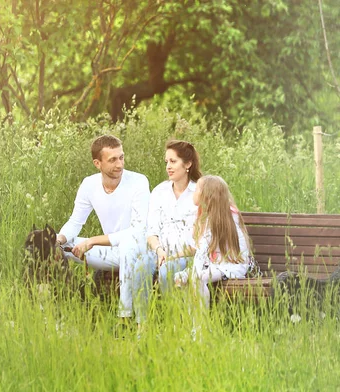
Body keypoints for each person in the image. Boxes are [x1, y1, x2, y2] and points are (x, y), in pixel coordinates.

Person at [56, 134, 150, 322]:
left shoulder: (139, 181)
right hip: (108, 252)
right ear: (97, 163)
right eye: (113, 160)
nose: (120, 164)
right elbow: (75, 222)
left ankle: (126, 319)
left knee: (127, 248)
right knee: (54, 248)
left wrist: (92, 241)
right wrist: (58, 240)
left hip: (137, 251)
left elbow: (138, 230)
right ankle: (62, 306)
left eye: (121, 157)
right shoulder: (89, 184)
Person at [134, 140, 202, 301]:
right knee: (140, 266)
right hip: (160, 252)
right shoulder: (159, 191)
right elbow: (151, 232)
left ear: (188, 164)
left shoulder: (199, 191)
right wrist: (159, 250)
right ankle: (140, 324)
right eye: (167, 162)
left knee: (167, 271)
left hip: (187, 255)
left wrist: (174, 257)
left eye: (173, 161)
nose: (168, 167)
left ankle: (172, 320)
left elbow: (202, 238)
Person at [174, 175, 251, 307]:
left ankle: (200, 325)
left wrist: (193, 273)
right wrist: (175, 259)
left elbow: (201, 252)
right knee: (180, 277)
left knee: (197, 278)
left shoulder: (223, 218)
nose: (194, 192)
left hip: (231, 265)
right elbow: (198, 249)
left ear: (207, 196)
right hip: (215, 264)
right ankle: (190, 321)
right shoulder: (207, 215)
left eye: (197, 189)